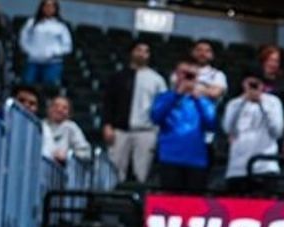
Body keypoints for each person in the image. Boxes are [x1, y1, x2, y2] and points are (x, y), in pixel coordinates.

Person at [99, 39, 165, 187]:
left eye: (145, 51)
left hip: (146, 131)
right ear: (131, 52)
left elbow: (162, 107)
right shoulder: (117, 77)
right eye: (138, 50)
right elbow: (108, 103)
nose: (142, 54)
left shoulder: (157, 80)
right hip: (119, 130)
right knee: (114, 171)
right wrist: (107, 125)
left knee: (142, 173)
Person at [151, 63, 217, 193]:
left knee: (194, 203)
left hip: (196, 158)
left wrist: (199, 99)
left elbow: (212, 124)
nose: (187, 78)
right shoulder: (165, 97)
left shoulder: (203, 100)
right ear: (176, 75)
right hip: (170, 157)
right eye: (184, 74)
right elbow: (156, 117)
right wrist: (176, 94)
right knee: (170, 201)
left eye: (191, 75)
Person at [223, 73, 284, 194]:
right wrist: (243, 101)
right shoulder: (234, 104)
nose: (253, 87)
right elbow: (228, 129)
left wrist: (261, 103)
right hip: (237, 169)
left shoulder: (273, 102)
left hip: (265, 167)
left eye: (256, 84)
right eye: (250, 84)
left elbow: (277, 131)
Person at [17, 0, 71, 89]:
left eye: (52, 6)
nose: (49, 9)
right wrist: (29, 51)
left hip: (53, 64)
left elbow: (68, 46)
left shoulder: (61, 26)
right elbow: (23, 39)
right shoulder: (32, 23)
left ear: (56, 9)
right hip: (32, 62)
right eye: (46, 6)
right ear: (42, 7)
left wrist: (54, 52)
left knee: (48, 89)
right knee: (27, 87)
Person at [42, 93, 92, 163]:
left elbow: (86, 153)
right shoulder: (41, 125)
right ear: (48, 109)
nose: (59, 110)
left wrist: (67, 156)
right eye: (56, 106)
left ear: (69, 114)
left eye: (64, 108)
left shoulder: (71, 127)